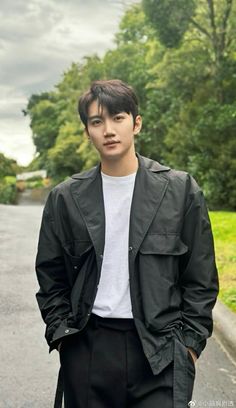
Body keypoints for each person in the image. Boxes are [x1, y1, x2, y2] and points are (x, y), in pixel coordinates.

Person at [35, 79, 219, 408]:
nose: (108, 130)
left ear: (136, 123)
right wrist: (65, 341)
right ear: (87, 131)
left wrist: (188, 349)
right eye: (96, 121)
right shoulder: (65, 199)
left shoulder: (180, 191)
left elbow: (201, 279)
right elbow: (51, 277)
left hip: (160, 351)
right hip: (88, 348)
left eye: (118, 118)